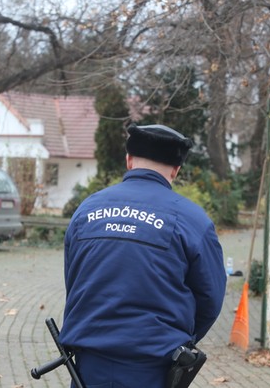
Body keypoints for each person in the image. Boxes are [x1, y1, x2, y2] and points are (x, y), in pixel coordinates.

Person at [58, 123, 227, 387]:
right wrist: (181, 337)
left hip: (88, 369)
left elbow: (75, 279)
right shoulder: (193, 221)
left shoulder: (86, 210)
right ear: (176, 169)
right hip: (154, 368)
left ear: (128, 160)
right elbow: (210, 300)